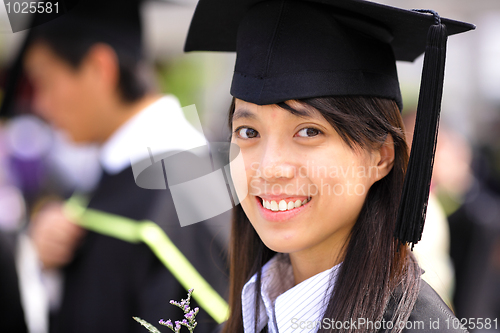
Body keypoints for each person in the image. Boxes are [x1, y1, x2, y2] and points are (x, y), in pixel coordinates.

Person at [185, 0, 475, 332]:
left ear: (380, 156)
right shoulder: (250, 317)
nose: (269, 168)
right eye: (249, 132)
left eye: (309, 131)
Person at [1, 0, 228, 332]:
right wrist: (39, 265)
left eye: (44, 82)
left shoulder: (172, 193)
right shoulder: (159, 175)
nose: (40, 105)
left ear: (98, 67)